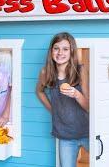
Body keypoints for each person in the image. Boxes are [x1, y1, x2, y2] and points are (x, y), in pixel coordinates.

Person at [36, 32, 89, 167]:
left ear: (71, 52)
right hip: (65, 136)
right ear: (51, 51)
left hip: (87, 131)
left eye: (65, 49)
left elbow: (88, 106)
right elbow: (39, 92)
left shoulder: (80, 70)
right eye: (56, 48)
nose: (60, 53)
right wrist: (53, 109)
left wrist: (77, 94)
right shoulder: (45, 72)